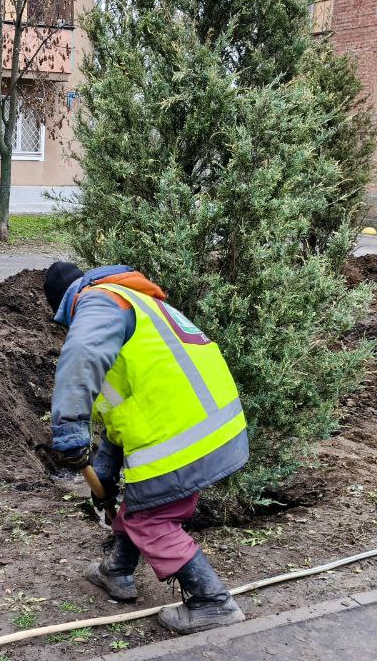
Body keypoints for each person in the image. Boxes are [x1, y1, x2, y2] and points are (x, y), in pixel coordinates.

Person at [43, 261, 249, 634]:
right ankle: (116, 571)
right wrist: (106, 460)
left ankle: (213, 603)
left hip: (182, 437)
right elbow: (129, 401)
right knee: (143, 504)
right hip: (209, 427)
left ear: (65, 304)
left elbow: (83, 355)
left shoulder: (98, 303)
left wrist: (70, 427)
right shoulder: (134, 301)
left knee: (150, 520)